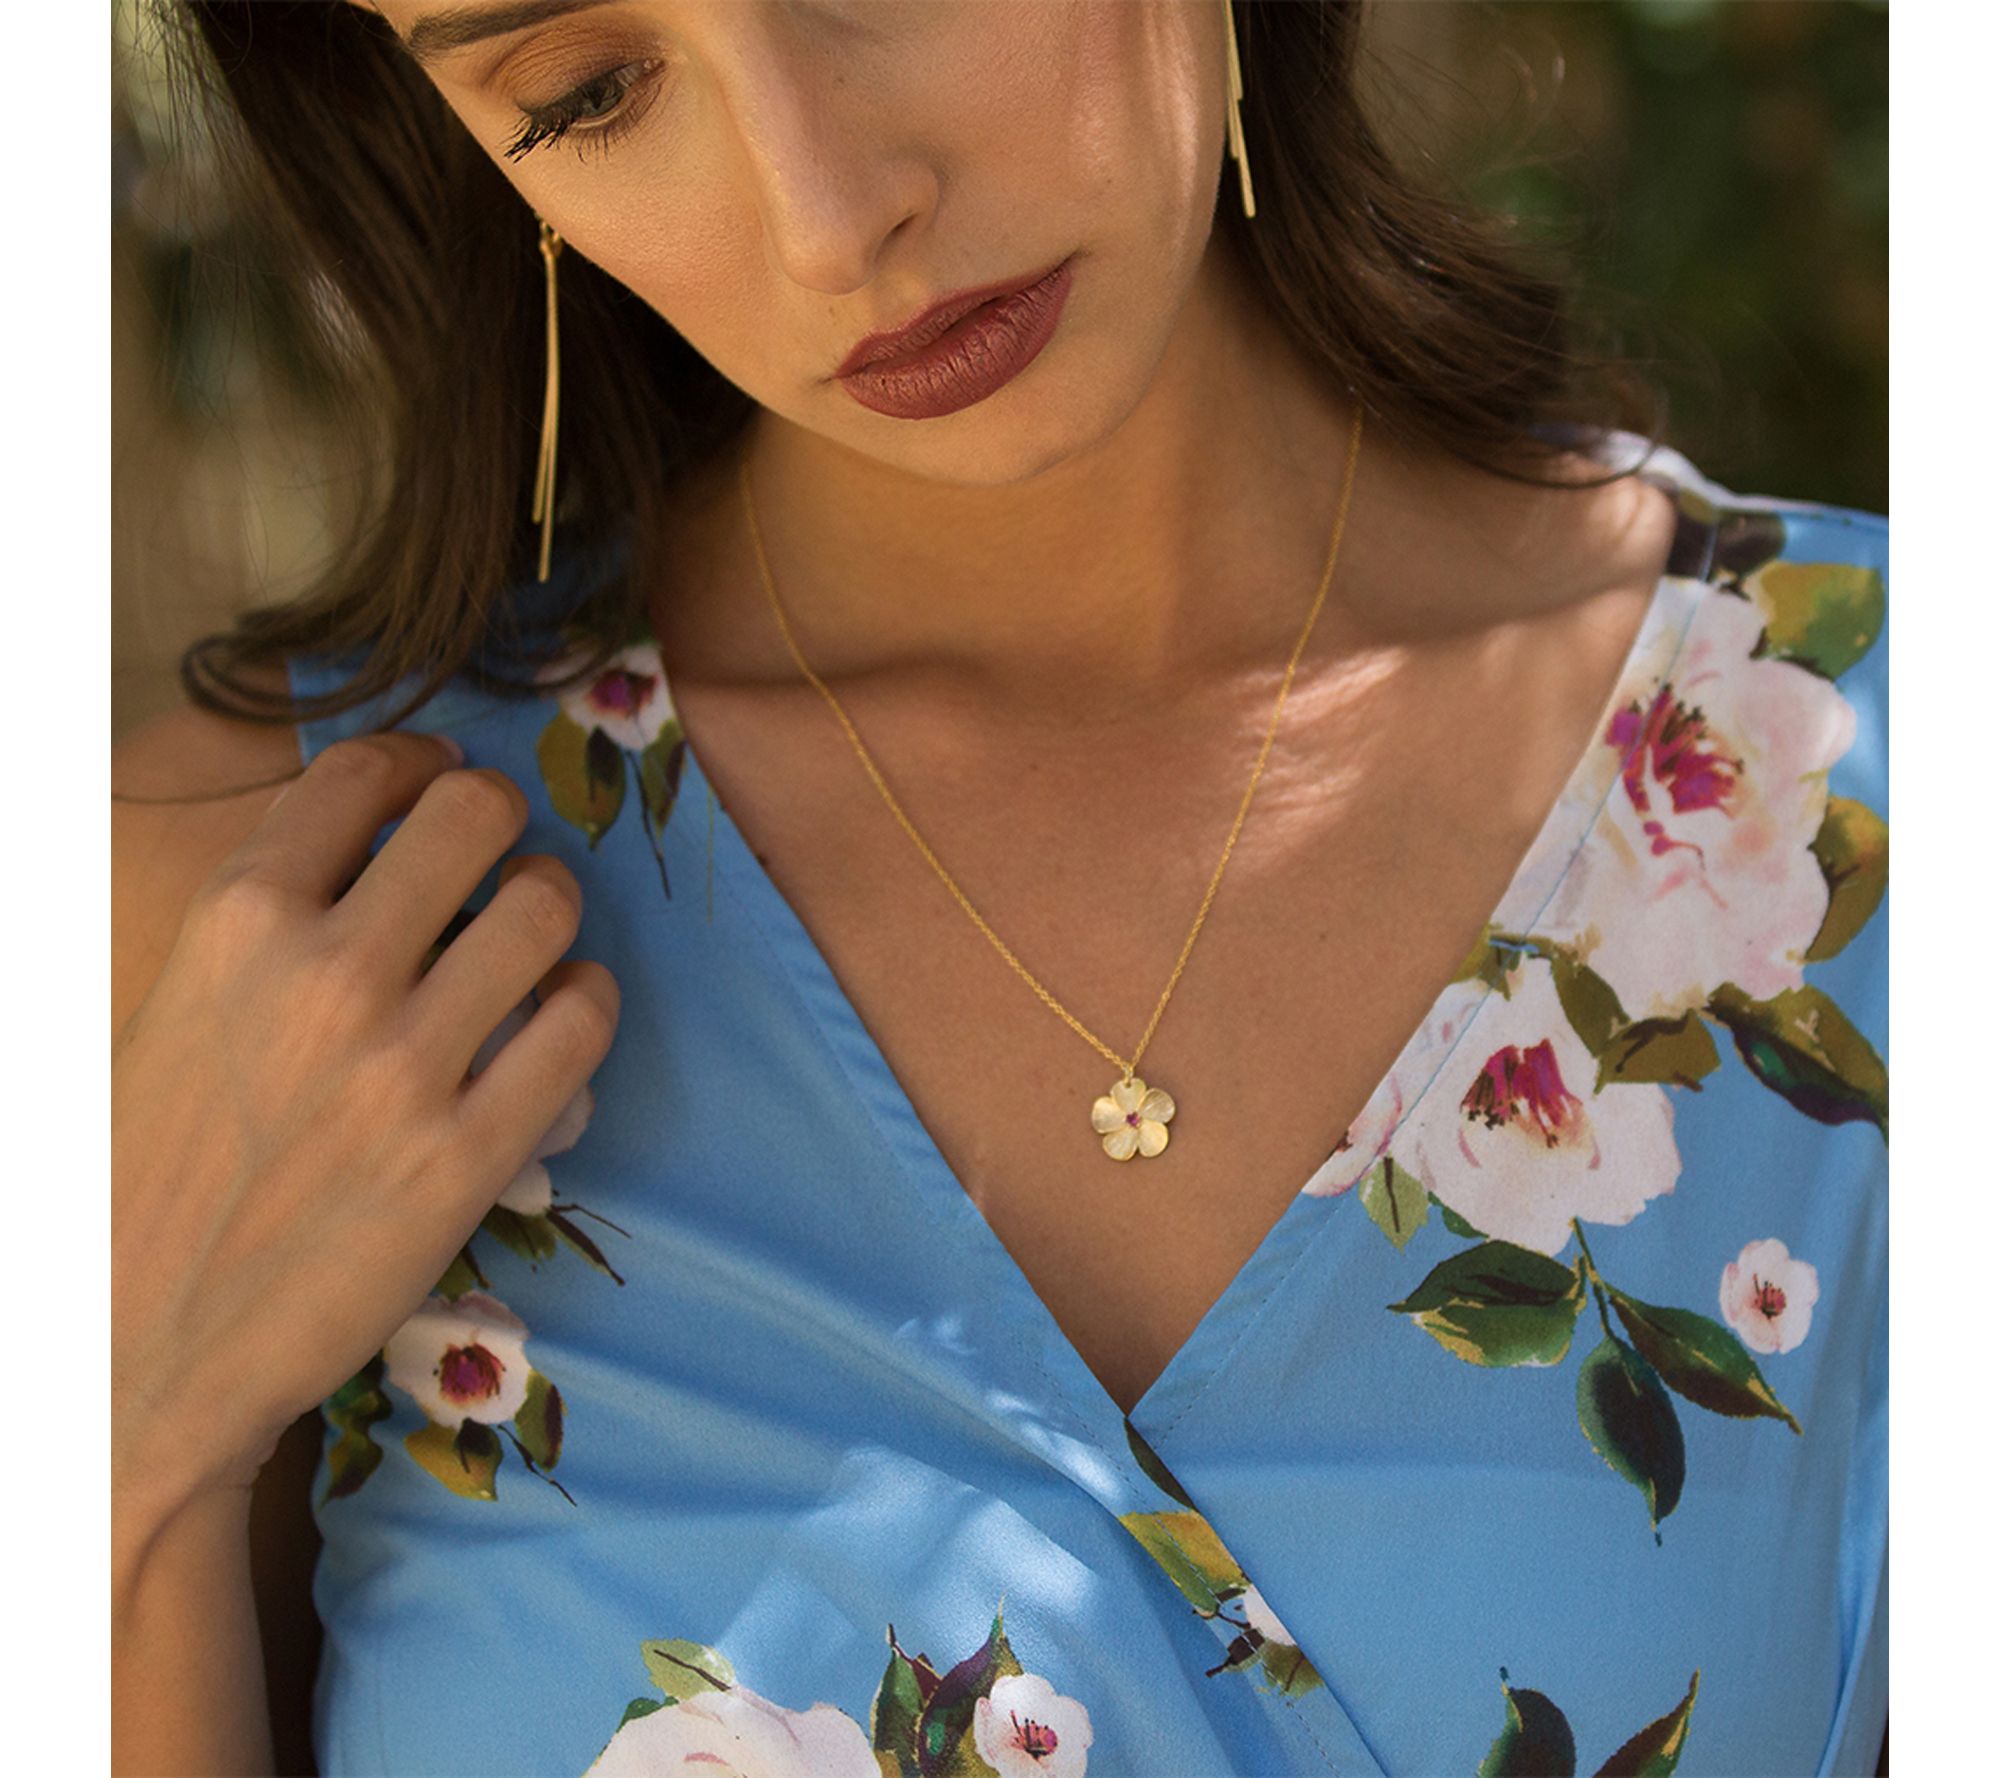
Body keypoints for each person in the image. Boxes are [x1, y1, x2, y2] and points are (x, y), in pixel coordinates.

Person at [111, 3, 1889, 1775]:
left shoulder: (1867, 813)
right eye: (590, 94)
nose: (831, 216)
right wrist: (121, 1455)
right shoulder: (273, 912)